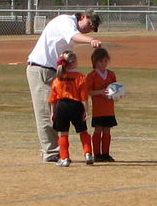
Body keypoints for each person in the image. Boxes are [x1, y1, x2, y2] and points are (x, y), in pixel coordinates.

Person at [25, 10, 104, 162]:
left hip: (55, 72)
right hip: (41, 70)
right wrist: (91, 40)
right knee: (47, 113)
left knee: (60, 112)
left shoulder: (71, 29)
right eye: (89, 24)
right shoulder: (65, 21)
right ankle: (51, 152)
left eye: (92, 28)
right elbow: (73, 35)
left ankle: (58, 151)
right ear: (83, 17)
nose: (89, 29)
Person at [48, 50, 94, 166]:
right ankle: (88, 153)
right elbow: (84, 97)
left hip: (62, 106)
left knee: (63, 133)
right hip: (76, 105)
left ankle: (65, 158)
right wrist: (86, 111)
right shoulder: (81, 77)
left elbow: (53, 98)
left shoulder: (58, 78)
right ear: (74, 62)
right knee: (83, 131)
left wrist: (53, 112)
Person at [85, 47, 119, 162]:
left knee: (107, 130)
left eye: (105, 61)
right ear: (95, 62)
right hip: (98, 109)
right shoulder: (92, 76)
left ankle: (105, 154)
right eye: (101, 61)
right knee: (98, 129)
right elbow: (87, 91)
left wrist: (116, 94)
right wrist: (100, 92)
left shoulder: (111, 74)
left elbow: (115, 89)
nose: (103, 64)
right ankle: (97, 154)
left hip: (109, 108)